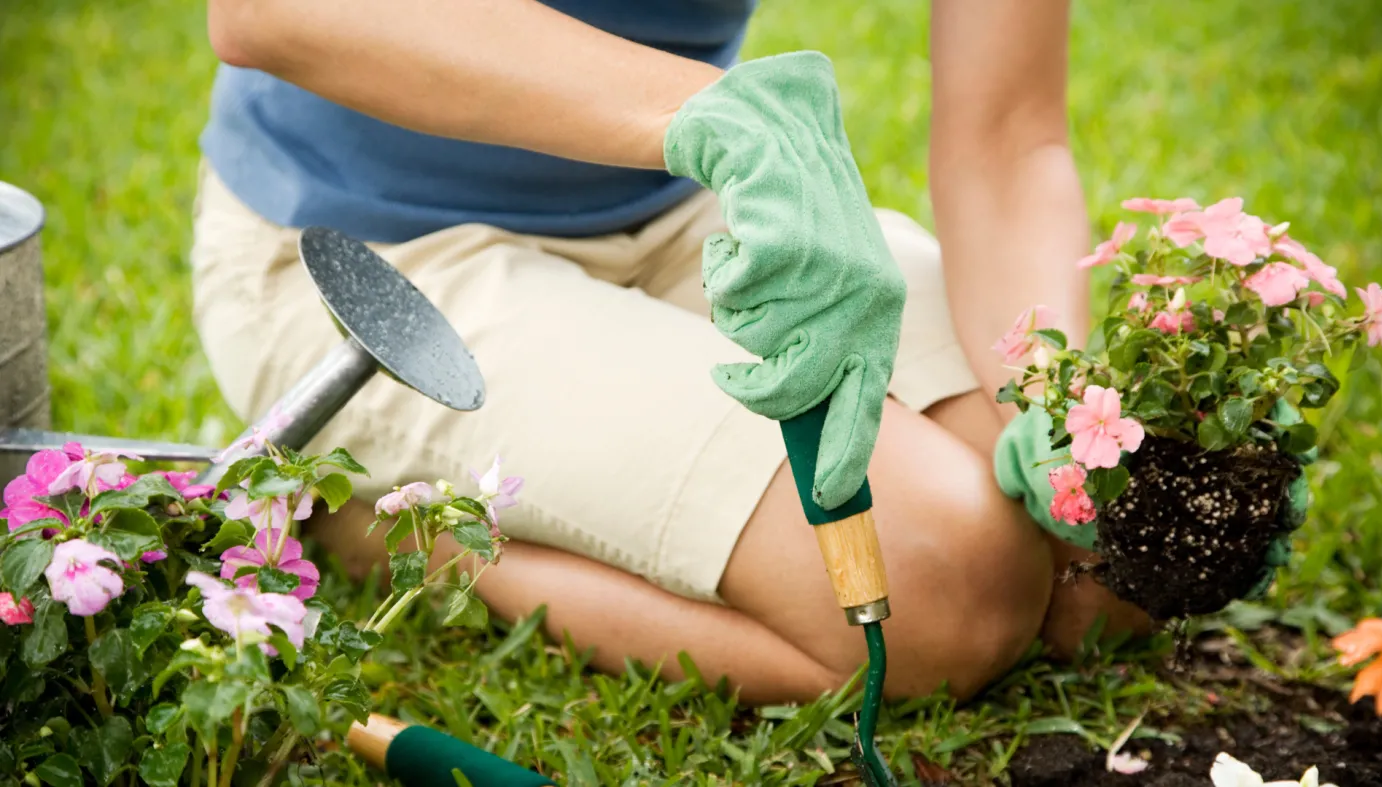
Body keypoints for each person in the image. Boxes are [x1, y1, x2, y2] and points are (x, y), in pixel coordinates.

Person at [193, 0, 1150, 706]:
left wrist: (1050, 398)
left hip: (672, 199)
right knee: (940, 597)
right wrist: (719, 115)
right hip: (373, 264)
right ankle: (386, 527)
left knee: (1104, 572)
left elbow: (1007, 136)